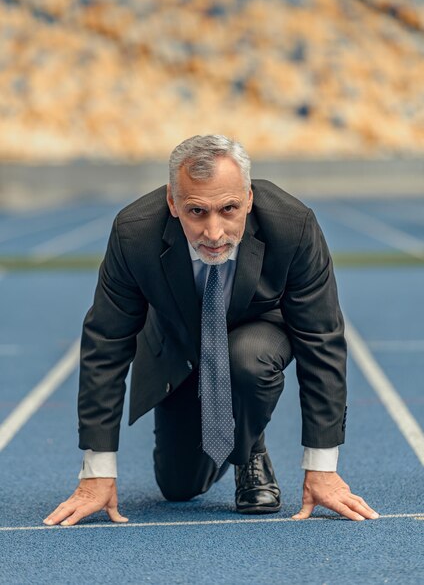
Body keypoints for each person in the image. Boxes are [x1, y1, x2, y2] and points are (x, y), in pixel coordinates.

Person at [44, 134, 378, 527]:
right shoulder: (134, 234)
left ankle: (249, 447)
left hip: (257, 336)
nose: (214, 232)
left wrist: (322, 466)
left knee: (247, 361)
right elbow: (106, 342)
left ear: (249, 198)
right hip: (179, 345)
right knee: (179, 488)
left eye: (229, 209)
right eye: (197, 211)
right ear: (173, 202)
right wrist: (96, 473)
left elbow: (320, 339)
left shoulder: (293, 226)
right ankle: (230, 437)